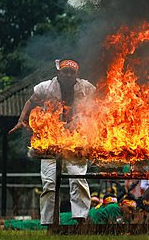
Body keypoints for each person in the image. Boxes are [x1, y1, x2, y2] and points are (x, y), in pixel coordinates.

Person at [9, 59, 96, 227]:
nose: (69, 75)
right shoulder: (46, 87)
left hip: (76, 141)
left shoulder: (85, 87)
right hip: (50, 141)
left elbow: (98, 104)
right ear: (59, 73)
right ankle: (49, 223)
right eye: (65, 71)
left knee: (78, 179)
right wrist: (21, 119)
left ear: (77, 74)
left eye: (72, 72)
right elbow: (31, 101)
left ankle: (81, 220)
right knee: (49, 183)